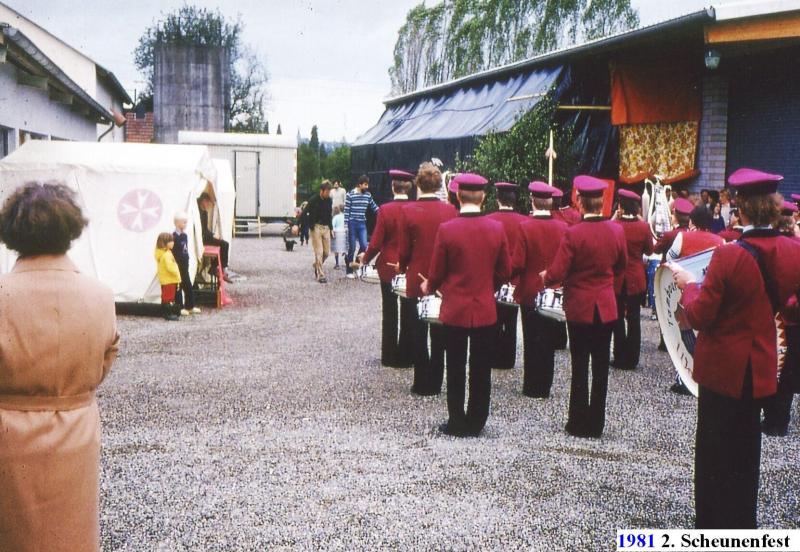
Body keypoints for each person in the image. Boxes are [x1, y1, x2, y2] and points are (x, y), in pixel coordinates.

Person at [672, 167, 800, 529]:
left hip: (722, 368)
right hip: (758, 367)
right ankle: (742, 524)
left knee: (713, 454)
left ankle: (712, 526)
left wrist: (689, 283)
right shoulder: (793, 252)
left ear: (740, 209)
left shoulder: (730, 256)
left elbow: (699, 314)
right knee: (746, 451)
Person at [0, 182, 119, 552]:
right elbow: (102, 364)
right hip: (76, 432)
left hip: (9, 435)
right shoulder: (100, 296)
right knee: (70, 533)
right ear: (71, 230)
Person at [423, 173, 511, 436]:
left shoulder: (447, 229)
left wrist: (434, 286)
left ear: (459, 196)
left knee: (456, 364)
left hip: (456, 306)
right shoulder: (496, 229)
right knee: (481, 366)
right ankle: (477, 419)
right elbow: (505, 271)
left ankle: (457, 420)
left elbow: (437, 272)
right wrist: (487, 286)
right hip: (484, 305)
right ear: (483, 197)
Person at [543, 175, 627, 438]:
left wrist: (546, 277)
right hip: (605, 305)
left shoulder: (573, 233)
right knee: (601, 366)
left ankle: (578, 421)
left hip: (579, 307)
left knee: (580, 365)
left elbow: (557, 271)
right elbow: (621, 265)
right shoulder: (616, 231)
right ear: (602, 203)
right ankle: (596, 423)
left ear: (579, 202)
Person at [397, 163, 458, 395]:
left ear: (419, 185)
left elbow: (403, 251)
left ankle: (422, 381)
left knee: (418, 331)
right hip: (443, 278)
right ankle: (436, 378)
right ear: (439, 184)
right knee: (440, 331)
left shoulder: (408, 211)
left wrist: (402, 267)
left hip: (417, 275)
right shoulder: (450, 211)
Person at [512, 182, 567, 397]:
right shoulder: (562, 228)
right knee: (548, 341)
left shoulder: (525, 227)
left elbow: (517, 263)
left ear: (533, 201)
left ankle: (532, 385)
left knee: (531, 339)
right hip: (552, 290)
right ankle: (545, 384)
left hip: (530, 290)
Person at [360, 169, 415, 368]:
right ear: (409, 188)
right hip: (409, 265)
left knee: (389, 311)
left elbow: (376, 242)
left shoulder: (385, 209)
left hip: (388, 266)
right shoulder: (416, 208)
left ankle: (389, 355)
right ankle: (407, 355)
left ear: (393, 187)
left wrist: (366, 259)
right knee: (409, 311)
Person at [486, 182, 527, 369]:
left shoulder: (489, 220)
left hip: (493, 277)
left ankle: (494, 355)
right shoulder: (524, 222)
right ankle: (508, 358)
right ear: (514, 200)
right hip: (515, 279)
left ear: (497, 199)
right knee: (511, 321)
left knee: (493, 318)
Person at [612, 189, 654, 371]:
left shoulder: (615, 225)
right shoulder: (643, 227)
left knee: (618, 317)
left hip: (618, 277)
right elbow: (650, 251)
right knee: (634, 318)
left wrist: (614, 216)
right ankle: (633, 358)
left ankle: (620, 356)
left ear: (620, 205)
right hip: (636, 277)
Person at [345, 175, 380, 279]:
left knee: (364, 246)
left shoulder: (368, 195)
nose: (367, 186)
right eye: (365, 184)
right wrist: (345, 225)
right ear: (359, 184)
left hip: (362, 223)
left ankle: (355, 263)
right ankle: (349, 270)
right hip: (352, 222)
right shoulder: (350, 194)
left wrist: (383, 213)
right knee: (351, 247)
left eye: (367, 184)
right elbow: (347, 210)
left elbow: (374, 207)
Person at [303, 181, 334, 283]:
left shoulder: (329, 200)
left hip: (326, 228)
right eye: (327, 192)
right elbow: (304, 212)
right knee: (319, 252)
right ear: (322, 191)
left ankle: (317, 264)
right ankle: (320, 274)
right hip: (316, 227)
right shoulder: (313, 200)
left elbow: (329, 215)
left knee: (326, 253)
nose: (328, 194)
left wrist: (331, 228)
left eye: (329, 192)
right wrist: (297, 225)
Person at [197, 192, 231, 279]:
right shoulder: (199, 213)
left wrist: (212, 235)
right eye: (207, 202)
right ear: (203, 201)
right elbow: (202, 230)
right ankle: (219, 268)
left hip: (205, 236)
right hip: (203, 238)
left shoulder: (204, 212)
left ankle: (215, 267)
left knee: (224, 245)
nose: (208, 205)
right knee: (224, 245)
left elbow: (205, 229)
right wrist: (212, 236)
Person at [172, 211, 200, 316]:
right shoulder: (174, 237)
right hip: (177, 265)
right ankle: (179, 307)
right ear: (177, 223)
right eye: (184, 222)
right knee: (178, 286)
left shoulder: (185, 236)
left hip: (184, 263)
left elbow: (185, 249)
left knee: (187, 284)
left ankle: (190, 305)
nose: (185, 224)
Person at [155, 232, 182, 321]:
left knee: (165, 296)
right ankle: (168, 314)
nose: (173, 243)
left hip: (165, 279)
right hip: (169, 279)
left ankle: (165, 312)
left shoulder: (162, 253)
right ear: (165, 243)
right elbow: (170, 267)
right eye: (171, 241)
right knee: (169, 297)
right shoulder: (167, 255)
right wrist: (177, 273)